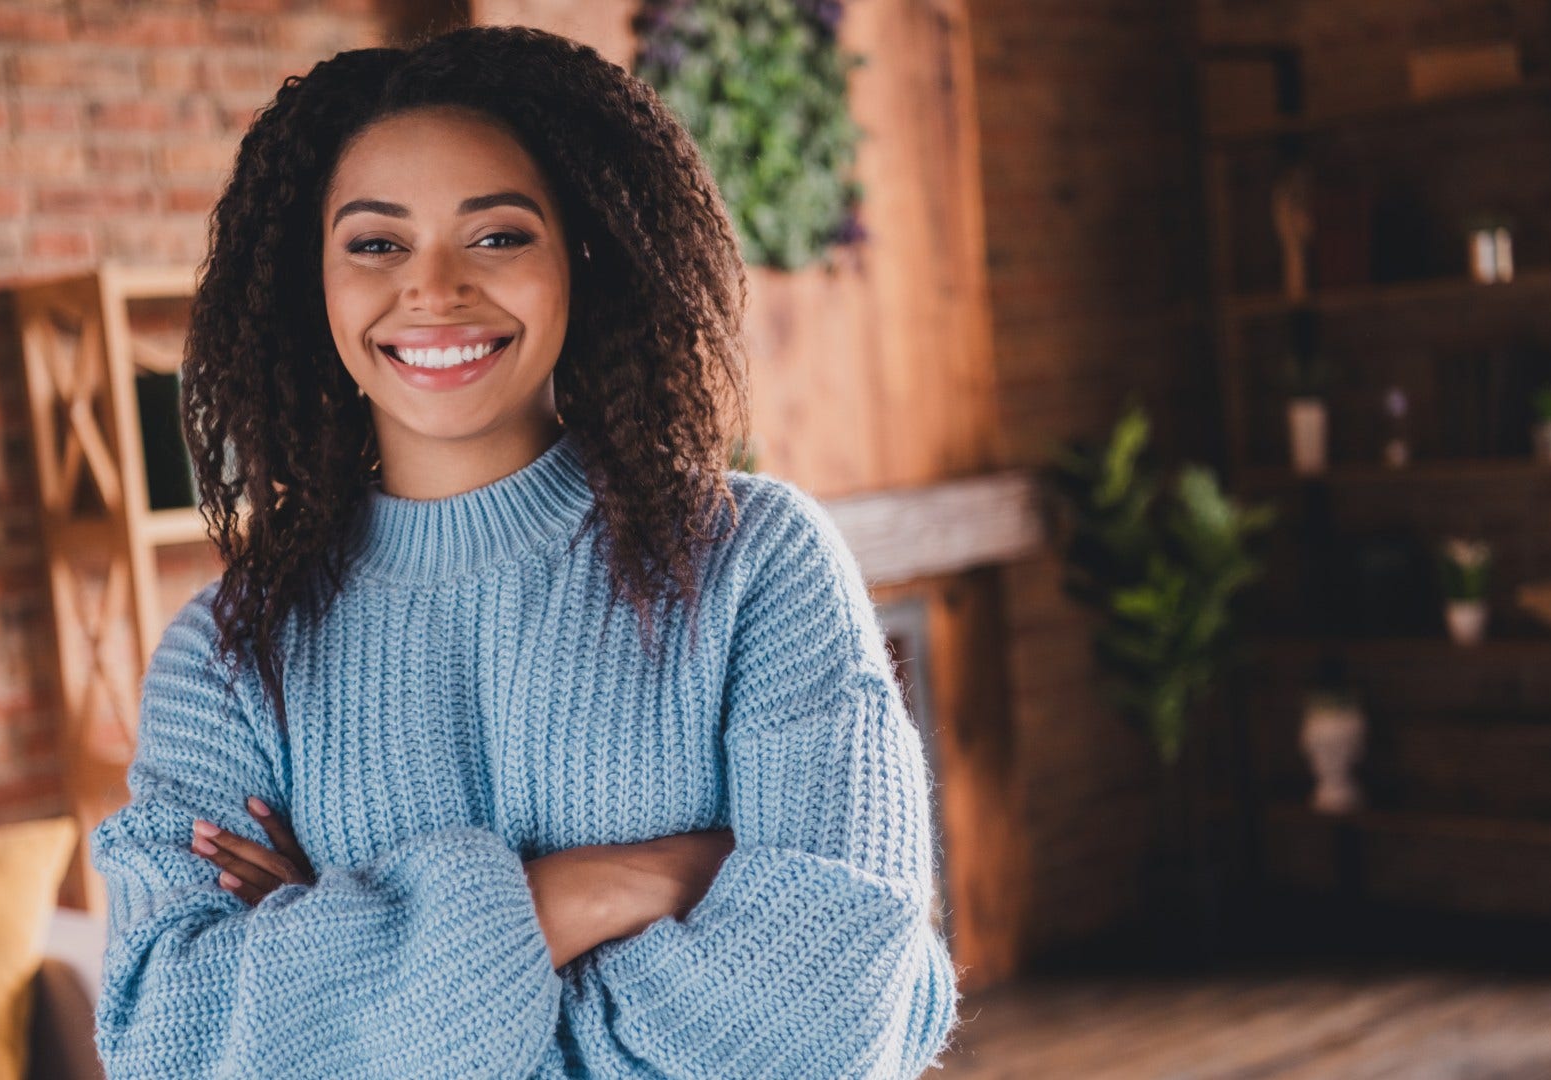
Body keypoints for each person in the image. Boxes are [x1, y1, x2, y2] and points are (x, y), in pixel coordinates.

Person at [88, 24, 961, 1079]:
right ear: (309, 286)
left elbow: (834, 1013)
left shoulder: (756, 564)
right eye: (375, 243)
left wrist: (352, 974)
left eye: (498, 235)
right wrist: (591, 891)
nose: (434, 288)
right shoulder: (230, 658)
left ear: (582, 253)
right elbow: (165, 1046)